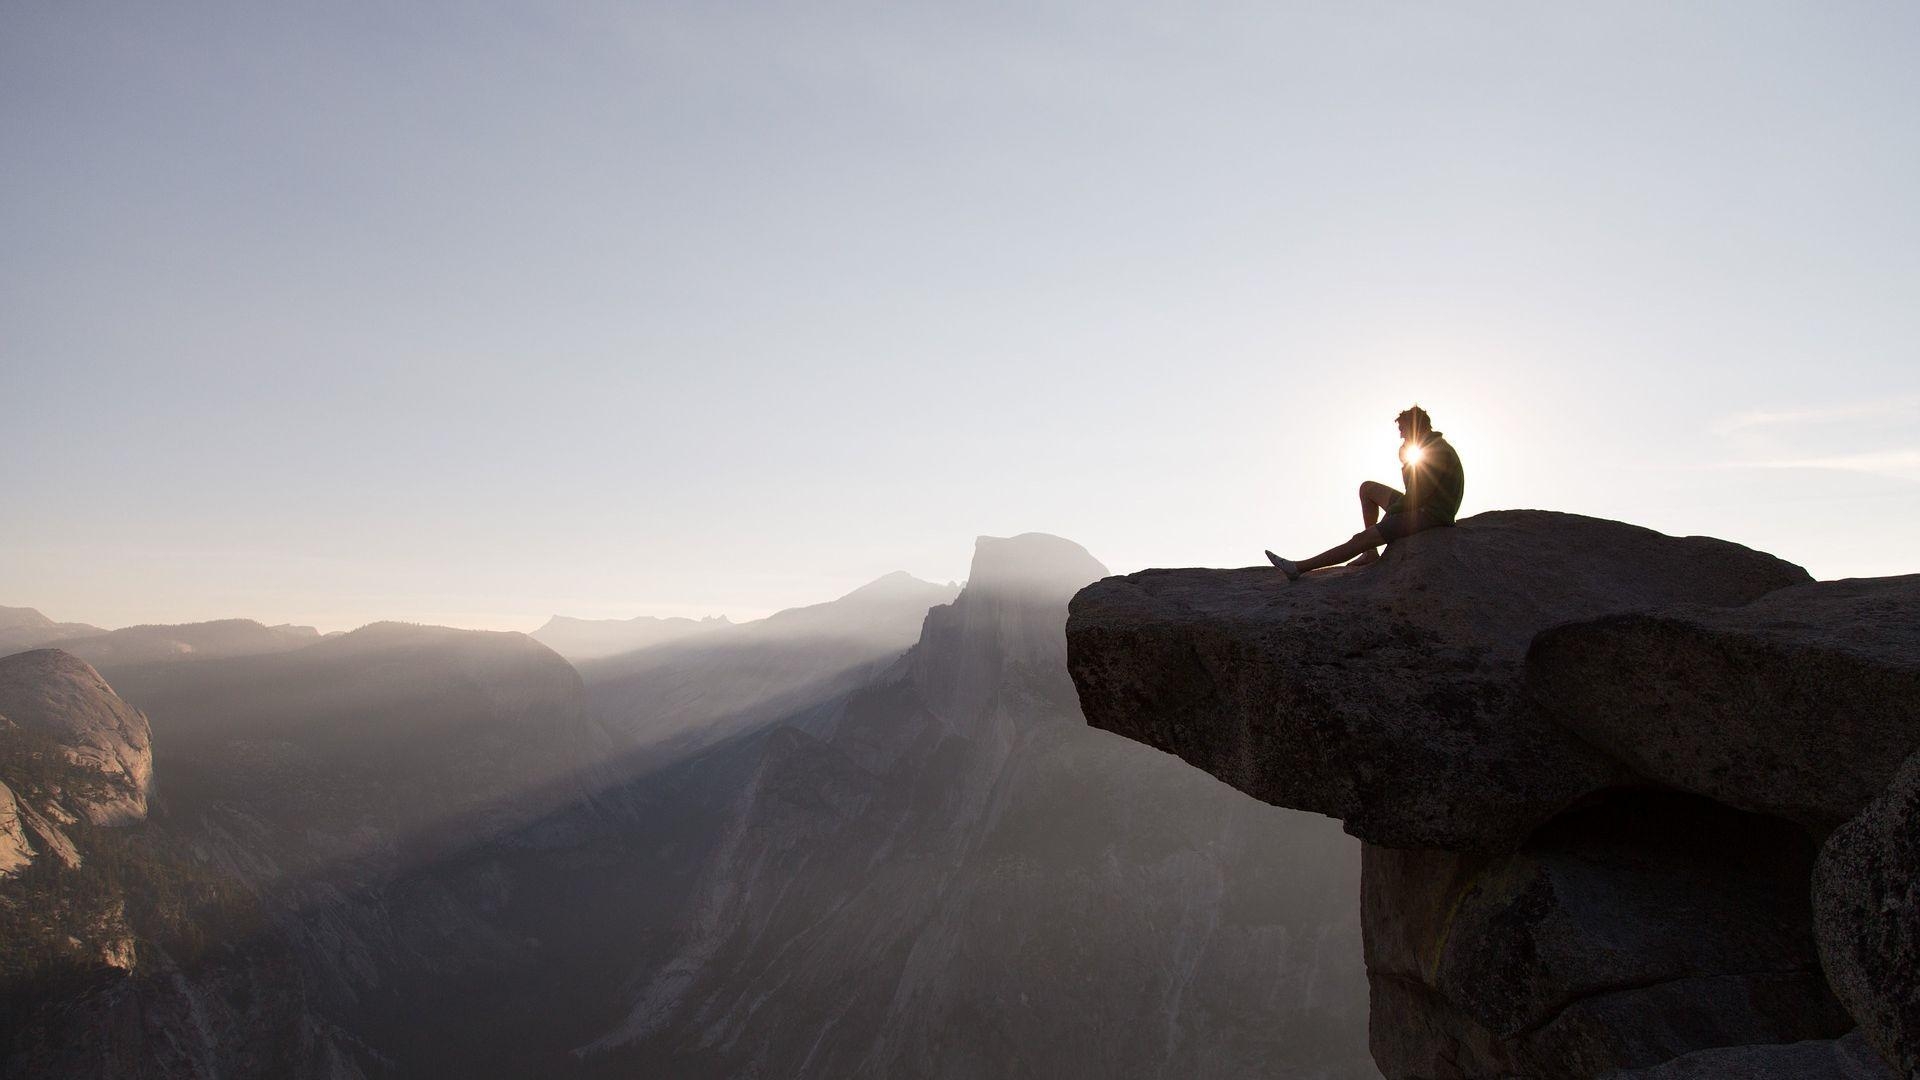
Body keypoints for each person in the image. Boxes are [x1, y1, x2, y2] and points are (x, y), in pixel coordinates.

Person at [1265, 405, 1465, 581]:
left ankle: (1297, 568)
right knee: (1367, 488)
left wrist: (1389, 518)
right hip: (1423, 504)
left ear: (1415, 427)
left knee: (1360, 539)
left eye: (1403, 430)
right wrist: (1405, 464)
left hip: (1431, 514)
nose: (1402, 436)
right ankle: (1371, 553)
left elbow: (1416, 497)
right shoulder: (1429, 447)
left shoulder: (1435, 451)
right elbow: (1415, 490)